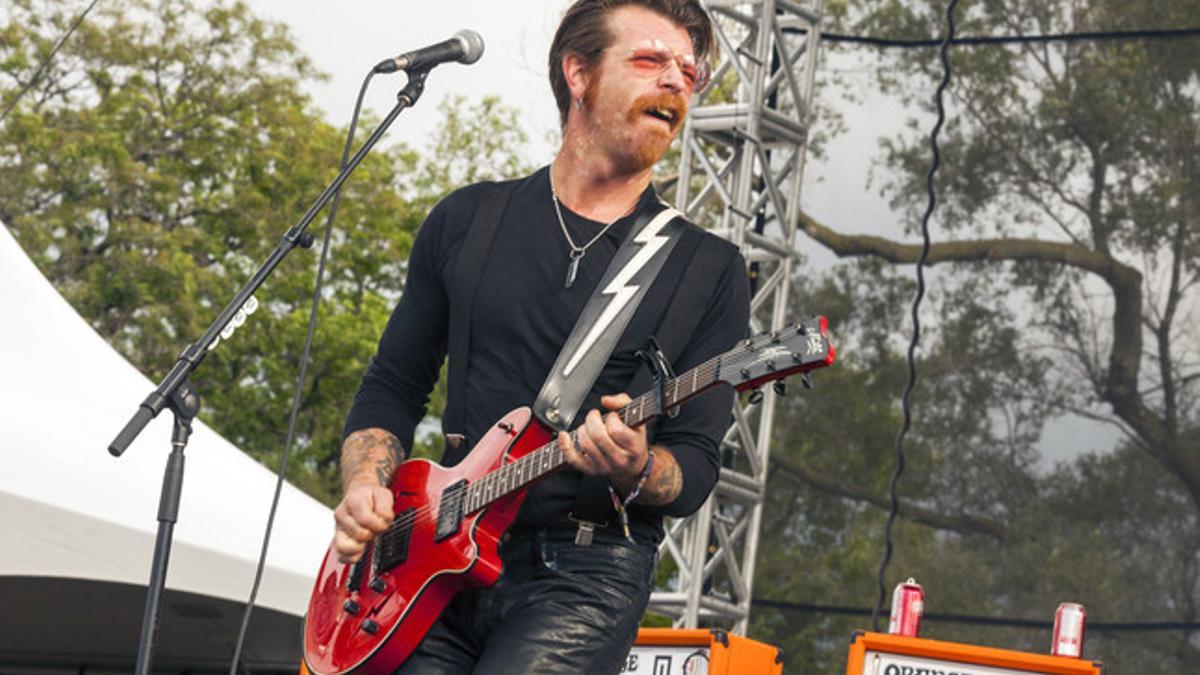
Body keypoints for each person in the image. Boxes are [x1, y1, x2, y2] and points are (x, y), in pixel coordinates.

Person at [332, 1, 750, 672]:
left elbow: (696, 467)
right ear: (577, 73)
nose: (676, 80)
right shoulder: (468, 220)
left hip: (583, 572)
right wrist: (363, 486)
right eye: (650, 60)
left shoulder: (706, 269)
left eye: (688, 71)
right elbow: (392, 384)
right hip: (427, 554)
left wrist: (636, 465)